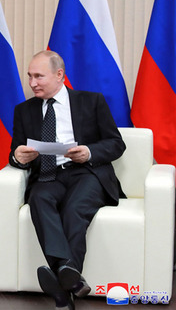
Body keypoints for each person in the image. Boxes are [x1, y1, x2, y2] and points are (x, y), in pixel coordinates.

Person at [9, 50, 126, 310]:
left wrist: (90, 152)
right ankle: (70, 280)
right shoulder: (24, 110)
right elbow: (15, 153)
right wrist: (18, 157)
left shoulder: (91, 101)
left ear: (60, 75)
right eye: (29, 77)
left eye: (39, 76)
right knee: (39, 199)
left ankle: (62, 284)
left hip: (86, 172)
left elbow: (116, 144)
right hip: (48, 176)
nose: (32, 83)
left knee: (74, 209)